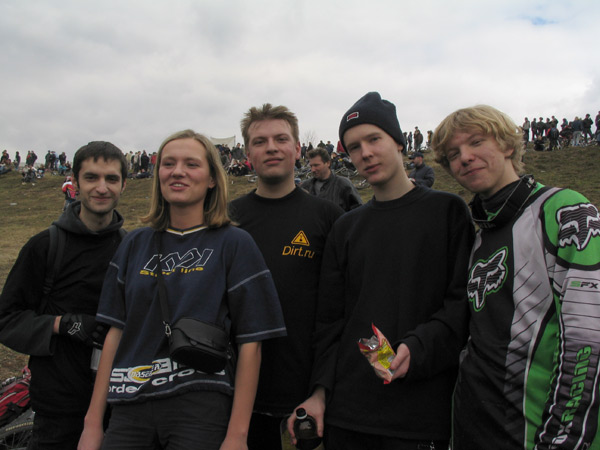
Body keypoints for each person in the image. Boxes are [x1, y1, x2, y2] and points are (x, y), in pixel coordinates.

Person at [78, 130, 286, 450]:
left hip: (199, 407)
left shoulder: (234, 243)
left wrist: (237, 435)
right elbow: (115, 333)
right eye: (168, 163)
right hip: (129, 407)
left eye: (191, 164)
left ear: (212, 179)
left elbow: (251, 343)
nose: (178, 171)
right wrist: (92, 424)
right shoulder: (134, 244)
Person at [289, 92, 474, 449]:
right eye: (354, 147)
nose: (366, 153)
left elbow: (461, 306)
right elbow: (330, 322)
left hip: (419, 415)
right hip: (348, 415)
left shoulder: (447, 212)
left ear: (399, 142)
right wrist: (320, 392)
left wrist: (418, 347)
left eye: (374, 139)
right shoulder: (346, 228)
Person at [431, 104, 600, 449]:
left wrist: (563, 438)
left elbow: (588, 338)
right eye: (453, 154)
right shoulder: (479, 234)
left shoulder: (565, 209)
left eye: (476, 142)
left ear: (508, 145)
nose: (465, 158)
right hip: (473, 426)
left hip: (540, 432)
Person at [229, 103, 343, 449]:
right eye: (260, 141)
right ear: (248, 153)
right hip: (239, 392)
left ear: (297, 148)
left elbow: (338, 309)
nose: (271, 148)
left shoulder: (329, 217)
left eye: (281, 139)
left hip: (308, 392)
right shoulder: (228, 218)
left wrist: (322, 387)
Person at [0, 141, 128, 450]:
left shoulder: (132, 249)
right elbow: (7, 319)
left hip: (119, 406)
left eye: (111, 179)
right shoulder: (45, 246)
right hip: (57, 406)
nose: (102, 188)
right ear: (75, 181)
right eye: (91, 177)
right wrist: (63, 324)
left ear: (123, 184)